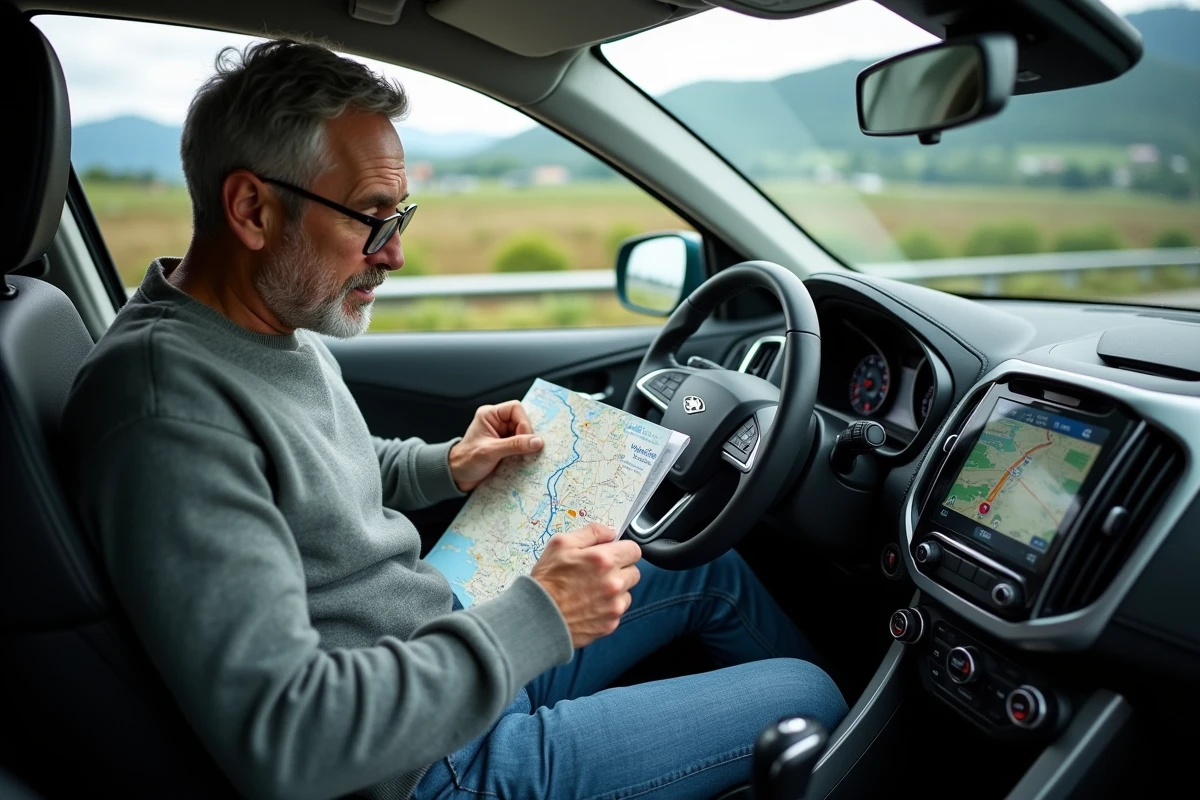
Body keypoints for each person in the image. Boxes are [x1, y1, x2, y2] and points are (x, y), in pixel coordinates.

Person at [60, 38, 847, 800]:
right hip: (426, 767)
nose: (394, 254)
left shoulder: (260, 324)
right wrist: (540, 616)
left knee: (694, 562)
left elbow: (310, 479)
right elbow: (290, 738)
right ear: (252, 208)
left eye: (399, 216)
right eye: (371, 218)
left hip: (437, 643)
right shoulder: (168, 411)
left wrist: (446, 464)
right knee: (806, 695)